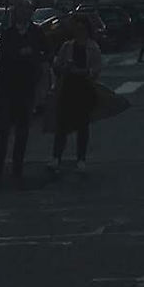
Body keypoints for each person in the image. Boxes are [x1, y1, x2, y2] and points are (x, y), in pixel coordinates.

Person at [0, 0, 48, 184]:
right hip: (8, 86)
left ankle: (17, 167)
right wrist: (18, 55)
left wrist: (36, 61)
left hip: (27, 86)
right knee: (3, 130)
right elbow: (0, 57)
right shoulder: (8, 34)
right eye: (21, 10)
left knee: (22, 131)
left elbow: (47, 52)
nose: (24, 13)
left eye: (27, 10)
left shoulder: (37, 33)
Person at [49, 13, 102, 175]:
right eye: (77, 28)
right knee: (62, 125)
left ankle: (81, 158)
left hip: (84, 87)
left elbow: (96, 68)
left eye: (82, 28)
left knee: (82, 125)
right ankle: (56, 157)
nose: (79, 32)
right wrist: (65, 68)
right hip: (68, 87)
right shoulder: (67, 46)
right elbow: (57, 66)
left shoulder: (93, 47)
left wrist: (85, 71)